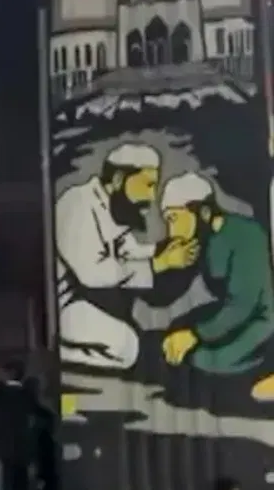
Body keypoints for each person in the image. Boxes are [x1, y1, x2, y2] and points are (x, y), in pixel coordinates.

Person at [54, 143, 197, 369]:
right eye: (148, 185)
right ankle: (60, 351)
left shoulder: (115, 206)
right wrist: (160, 263)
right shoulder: (76, 204)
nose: (151, 197)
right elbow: (92, 273)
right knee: (127, 347)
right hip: (62, 308)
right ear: (120, 179)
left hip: (89, 302)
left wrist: (163, 250)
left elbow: (129, 252)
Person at [157, 172, 274, 398]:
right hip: (229, 313)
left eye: (174, 219)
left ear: (204, 212)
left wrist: (195, 334)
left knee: (203, 360)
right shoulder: (199, 239)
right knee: (173, 335)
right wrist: (164, 263)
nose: (171, 231)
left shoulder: (246, 235)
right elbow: (167, 294)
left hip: (262, 319)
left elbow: (243, 305)